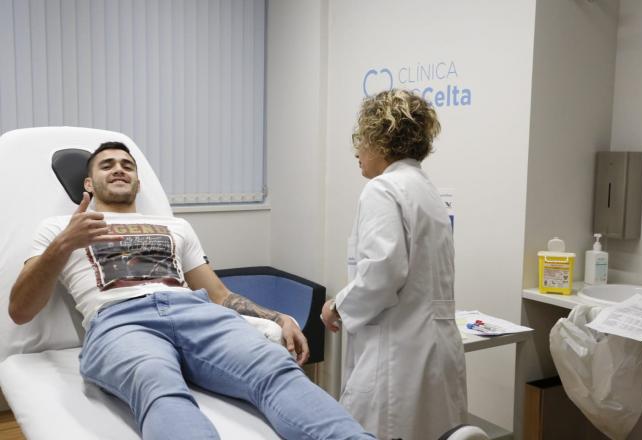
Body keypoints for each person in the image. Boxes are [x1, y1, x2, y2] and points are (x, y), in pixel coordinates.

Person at [9, 142, 375, 440]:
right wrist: (63, 245)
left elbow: (218, 294)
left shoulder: (175, 226)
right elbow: (20, 311)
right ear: (88, 183)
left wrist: (279, 318)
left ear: (137, 182)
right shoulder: (59, 228)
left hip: (196, 311)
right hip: (120, 321)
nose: (119, 168)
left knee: (273, 367)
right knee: (157, 382)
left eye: (127, 164)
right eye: (106, 165)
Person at [321, 89, 468, 439]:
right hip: (436, 354)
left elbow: (383, 272)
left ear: (382, 140)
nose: (357, 152)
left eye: (362, 140)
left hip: (400, 358)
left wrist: (337, 306)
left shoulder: (383, 189)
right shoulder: (426, 190)